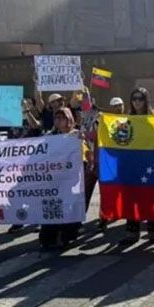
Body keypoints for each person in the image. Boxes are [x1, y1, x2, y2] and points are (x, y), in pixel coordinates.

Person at [39, 107, 87, 250]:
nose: (58, 121)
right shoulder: (50, 136)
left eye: (62, 118)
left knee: (68, 207)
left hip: (70, 180)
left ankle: (67, 236)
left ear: (69, 120)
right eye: (56, 118)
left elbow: (83, 155)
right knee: (53, 207)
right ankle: (49, 238)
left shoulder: (76, 136)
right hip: (53, 179)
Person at [123, 87, 154, 244]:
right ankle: (132, 231)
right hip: (131, 165)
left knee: (151, 198)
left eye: (140, 98)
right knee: (131, 197)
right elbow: (120, 139)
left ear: (146, 100)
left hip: (150, 165)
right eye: (134, 98)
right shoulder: (127, 120)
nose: (137, 101)